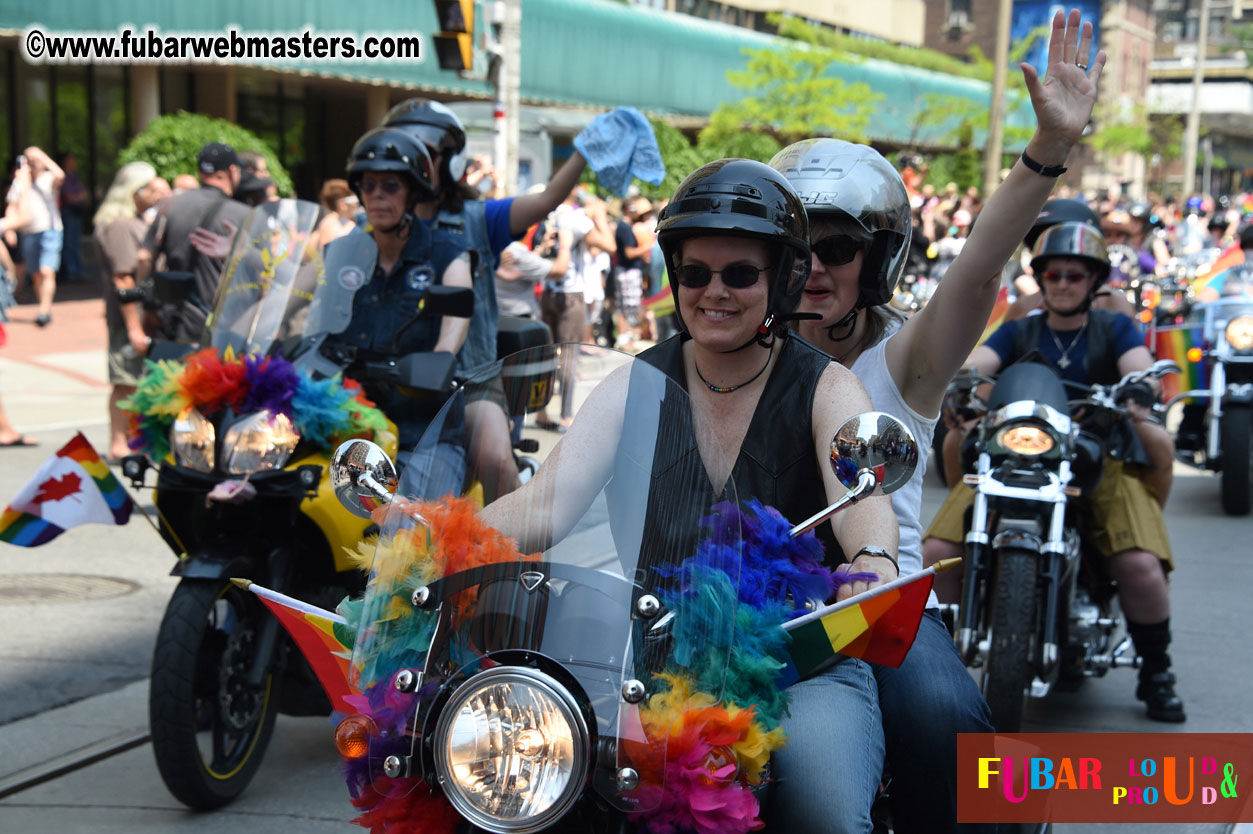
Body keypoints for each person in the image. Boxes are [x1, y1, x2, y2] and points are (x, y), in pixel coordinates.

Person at [483, 157, 901, 833]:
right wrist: (434, 536)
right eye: (694, 273)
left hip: (793, 665)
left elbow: (862, 499)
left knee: (823, 811)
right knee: (525, 778)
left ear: (783, 281)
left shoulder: (828, 388)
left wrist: (874, 561)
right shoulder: (631, 383)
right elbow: (546, 503)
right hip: (647, 657)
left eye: (739, 274)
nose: (714, 291)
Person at [766, 10, 1104, 830]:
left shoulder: (904, 359)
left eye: (838, 249)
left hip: (878, 606)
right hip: (740, 600)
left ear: (876, 260)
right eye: (794, 249)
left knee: (941, 726)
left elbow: (981, 262)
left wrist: (1046, 151)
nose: (813, 270)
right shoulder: (731, 343)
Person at [922, 220, 1185, 724]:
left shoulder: (1115, 328)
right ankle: (938, 668)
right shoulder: (1022, 329)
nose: (1063, 283)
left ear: (1093, 282)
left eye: (1074, 274)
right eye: (1054, 274)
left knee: (1139, 566)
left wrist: (1136, 386)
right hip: (1017, 455)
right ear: (1040, 278)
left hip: (1096, 457)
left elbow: (1136, 362)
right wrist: (964, 382)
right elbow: (982, 362)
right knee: (937, 553)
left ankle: (1157, 671)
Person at [382, 98, 610, 501]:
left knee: (496, 458)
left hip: (467, 380)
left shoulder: (476, 218)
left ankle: (512, 557)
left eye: (425, 154)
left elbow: (545, 201)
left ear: (450, 160)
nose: (412, 164)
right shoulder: (382, 223)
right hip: (390, 375)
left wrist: (582, 151)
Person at [321, 127, 472, 498]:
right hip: (346, 422)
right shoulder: (340, 254)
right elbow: (297, 299)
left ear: (413, 192)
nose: (376, 196)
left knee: (417, 535)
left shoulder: (448, 253)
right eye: (368, 186)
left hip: (420, 430)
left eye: (390, 186)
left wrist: (440, 358)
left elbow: (457, 318)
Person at [137, 143, 251, 343]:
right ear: (232, 171)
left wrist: (148, 306)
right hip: (219, 320)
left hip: (171, 316)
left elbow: (144, 257)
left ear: (200, 172)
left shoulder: (169, 205)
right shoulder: (243, 214)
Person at [93, 161, 163, 462]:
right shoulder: (119, 225)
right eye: (149, 188)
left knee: (135, 380)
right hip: (127, 316)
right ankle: (119, 442)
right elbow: (124, 278)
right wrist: (135, 326)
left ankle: (132, 439)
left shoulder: (131, 221)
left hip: (137, 314)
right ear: (133, 192)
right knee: (125, 381)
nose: (154, 193)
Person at [5, 147, 64, 327]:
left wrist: (41, 155)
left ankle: (44, 310)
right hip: (29, 231)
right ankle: (43, 306)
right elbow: (13, 207)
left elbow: (60, 175)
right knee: (37, 273)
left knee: (47, 270)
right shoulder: (20, 181)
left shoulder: (48, 178)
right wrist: (9, 229)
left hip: (50, 230)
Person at [57, 151, 88, 283]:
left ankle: (77, 271)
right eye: (71, 160)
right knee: (69, 243)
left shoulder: (74, 176)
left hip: (76, 212)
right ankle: (71, 272)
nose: (74, 163)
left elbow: (85, 194)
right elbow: (70, 197)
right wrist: (78, 196)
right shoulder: (62, 177)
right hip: (68, 212)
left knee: (75, 243)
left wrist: (78, 196)